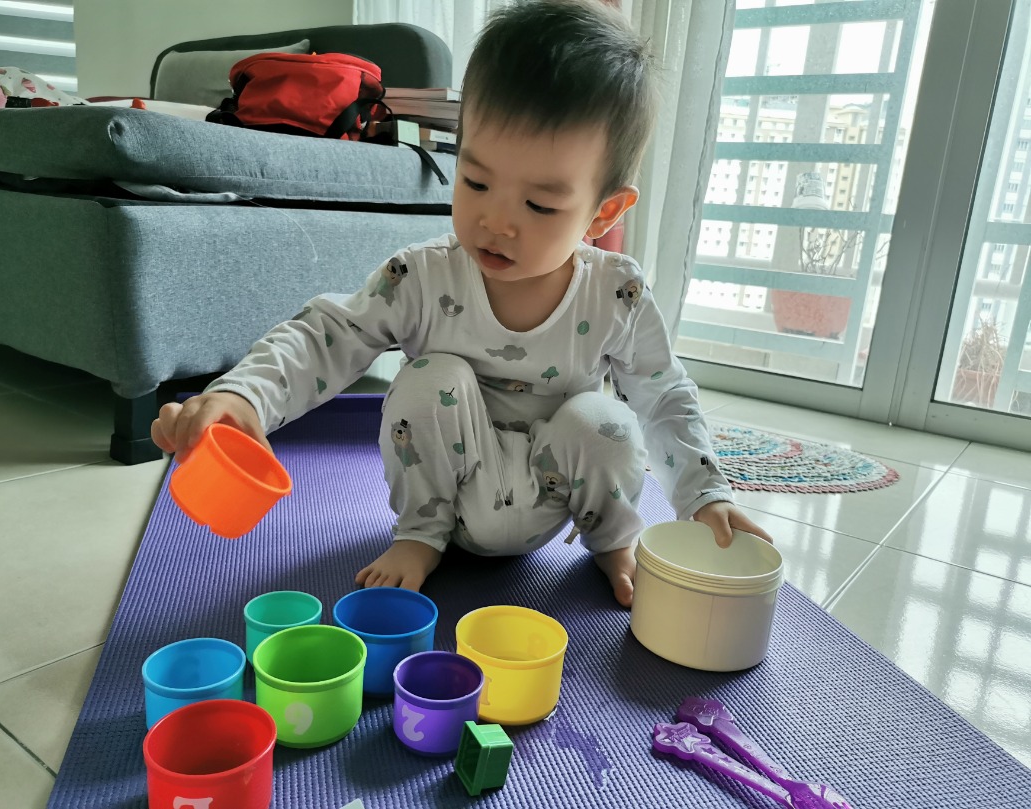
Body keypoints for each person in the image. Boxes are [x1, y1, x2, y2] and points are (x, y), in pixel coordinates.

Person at [151, 0, 771, 608]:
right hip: (448, 492)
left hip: (554, 495)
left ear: (603, 212)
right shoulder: (422, 275)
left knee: (605, 420)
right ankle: (422, 536)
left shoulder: (616, 293)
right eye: (475, 182)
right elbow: (327, 335)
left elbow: (664, 394)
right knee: (431, 378)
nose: (495, 222)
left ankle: (611, 543)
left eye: (540, 206)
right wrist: (243, 394)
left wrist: (703, 496)